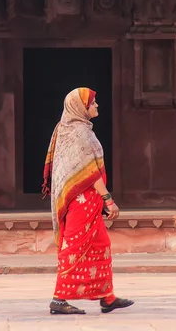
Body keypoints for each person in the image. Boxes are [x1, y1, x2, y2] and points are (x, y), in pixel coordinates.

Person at [42, 87, 134, 315]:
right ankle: (59, 299)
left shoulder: (70, 129)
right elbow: (90, 172)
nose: (96, 106)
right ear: (81, 108)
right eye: (93, 103)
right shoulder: (78, 133)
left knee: (101, 245)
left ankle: (107, 297)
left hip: (87, 202)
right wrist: (108, 199)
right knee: (72, 247)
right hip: (81, 202)